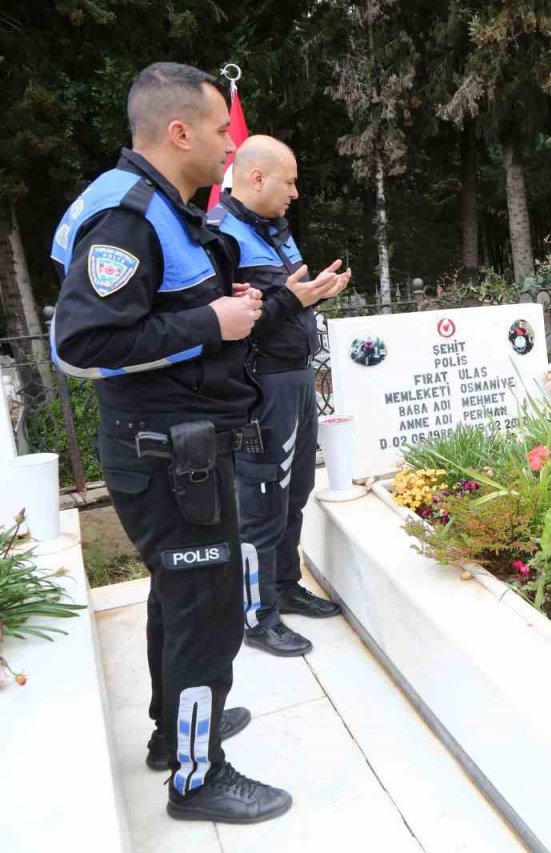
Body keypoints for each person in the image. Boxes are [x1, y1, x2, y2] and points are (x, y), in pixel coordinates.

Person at [50, 63, 291, 822]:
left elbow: (152, 311)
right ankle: (197, 776)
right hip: (166, 454)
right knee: (207, 611)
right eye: (222, 130)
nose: (231, 145)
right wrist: (210, 322)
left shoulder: (160, 206)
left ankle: (172, 731)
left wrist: (223, 306)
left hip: (180, 446)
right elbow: (81, 344)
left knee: (182, 597)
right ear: (180, 132)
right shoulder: (127, 216)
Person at [209, 135, 350, 658]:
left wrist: (314, 294)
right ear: (256, 178)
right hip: (261, 384)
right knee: (262, 500)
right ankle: (257, 614)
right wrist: (292, 300)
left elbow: (284, 302)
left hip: (296, 377)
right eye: (289, 182)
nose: (295, 192)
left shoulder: (274, 231)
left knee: (295, 490)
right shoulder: (222, 237)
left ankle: (285, 585)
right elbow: (230, 323)